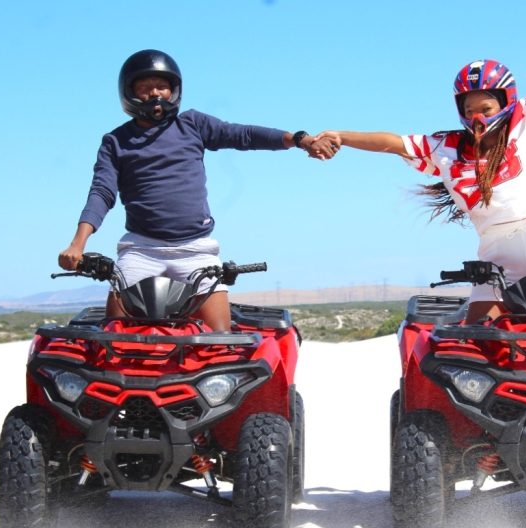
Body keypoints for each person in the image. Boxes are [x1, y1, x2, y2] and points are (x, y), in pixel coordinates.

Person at [316, 0, 526, 323]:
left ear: (506, 103)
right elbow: (393, 142)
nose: (477, 117)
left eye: (486, 108)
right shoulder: (446, 147)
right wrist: (341, 135)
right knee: (478, 345)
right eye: (469, 111)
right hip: (495, 258)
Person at [58, 49, 338, 331]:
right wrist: (77, 245)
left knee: (220, 338)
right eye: (144, 87)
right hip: (141, 250)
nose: (155, 94)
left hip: (195, 249)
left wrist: (300, 139)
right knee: (115, 336)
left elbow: (242, 135)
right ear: (129, 93)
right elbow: (102, 192)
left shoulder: (192, 124)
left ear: (174, 91)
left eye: (162, 87)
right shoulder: (115, 141)